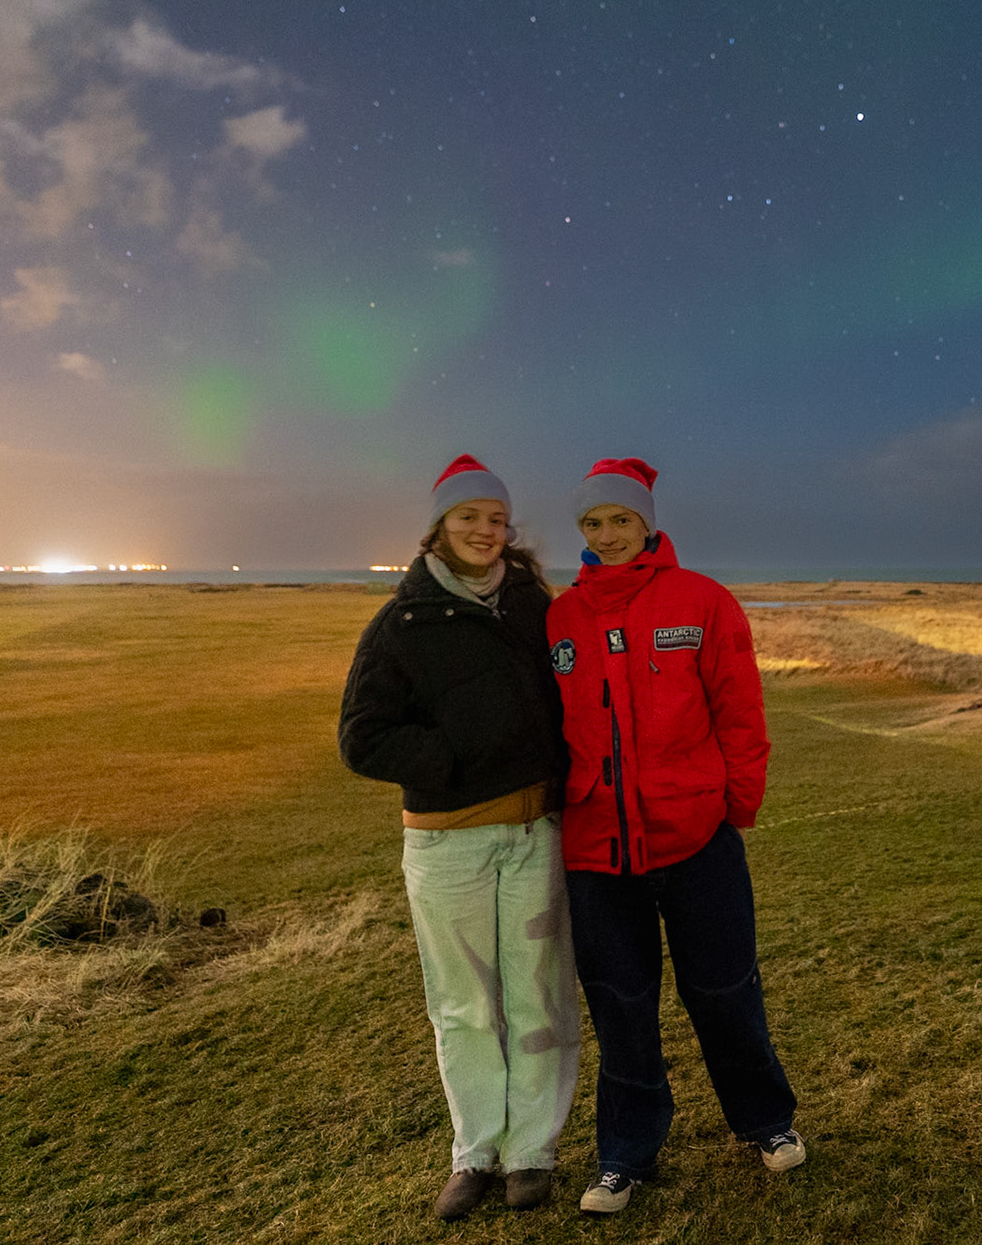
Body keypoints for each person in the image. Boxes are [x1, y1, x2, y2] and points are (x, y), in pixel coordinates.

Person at [544, 456, 803, 1215]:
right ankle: (624, 1152)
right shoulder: (561, 617)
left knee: (723, 992)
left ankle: (765, 1122)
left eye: (621, 520)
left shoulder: (703, 602)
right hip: (598, 851)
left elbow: (741, 715)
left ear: (647, 522)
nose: (607, 534)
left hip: (698, 842)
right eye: (593, 524)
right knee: (620, 1003)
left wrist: (735, 811)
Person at [338, 455, 579, 1221]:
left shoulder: (532, 607)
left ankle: (532, 1152)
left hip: (535, 831)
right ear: (440, 527)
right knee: (465, 1005)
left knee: (539, 996)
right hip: (447, 844)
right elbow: (363, 738)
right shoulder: (402, 622)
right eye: (468, 516)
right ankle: (476, 1152)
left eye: (495, 518)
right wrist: (455, 759)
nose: (484, 529)